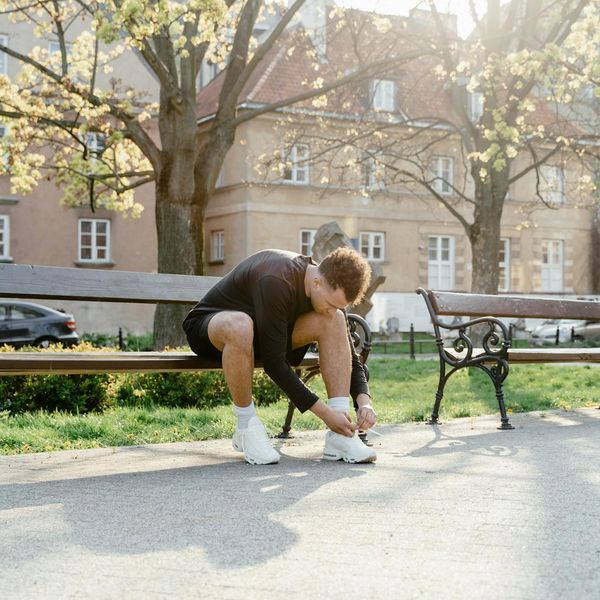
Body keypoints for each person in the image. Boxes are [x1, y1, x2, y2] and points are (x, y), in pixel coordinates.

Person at [183, 247, 377, 465]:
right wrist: (324, 414)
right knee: (240, 325)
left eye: (339, 306)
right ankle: (246, 427)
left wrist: (364, 401)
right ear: (317, 282)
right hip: (211, 327)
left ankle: (341, 433)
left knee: (336, 321)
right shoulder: (276, 279)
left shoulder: (324, 291)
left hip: (263, 333)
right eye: (332, 304)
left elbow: (350, 356)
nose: (332, 310)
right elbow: (274, 364)